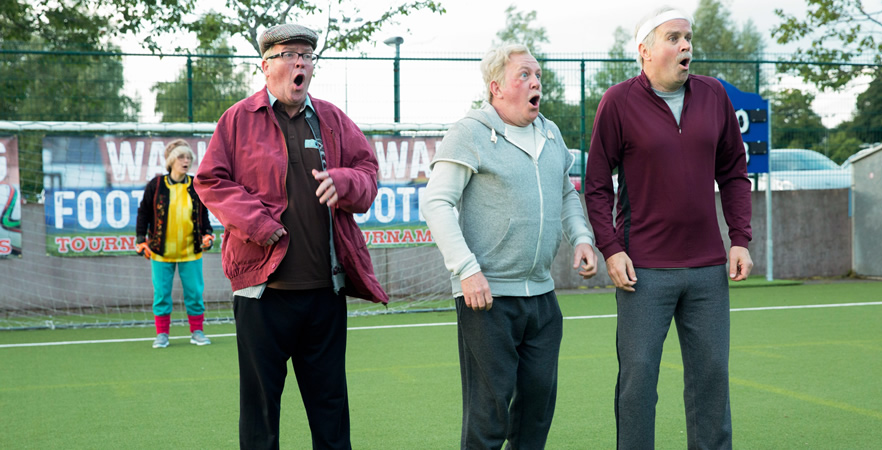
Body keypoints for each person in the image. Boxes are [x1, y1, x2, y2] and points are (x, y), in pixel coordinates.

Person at [193, 23, 387, 450]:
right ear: (266, 66)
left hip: (325, 292)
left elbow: (368, 174)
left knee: (331, 410)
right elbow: (210, 181)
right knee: (260, 414)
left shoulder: (333, 120)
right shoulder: (237, 120)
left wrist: (344, 182)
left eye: (306, 56)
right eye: (289, 55)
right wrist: (259, 225)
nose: (301, 63)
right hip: (262, 296)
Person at [584, 6, 754, 449]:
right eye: (674, 38)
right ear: (645, 51)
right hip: (644, 271)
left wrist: (740, 238)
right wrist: (610, 248)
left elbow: (734, 172)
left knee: (711, 379)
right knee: (638, 381)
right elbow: (597, 185)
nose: (686, 47)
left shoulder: (715, 95)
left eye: (688, 38)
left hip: (707, 269)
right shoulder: (617, 102)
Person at [422, 43, 598, 450]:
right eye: (524, 75)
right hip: (487, 298)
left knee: (537, 409)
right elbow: (436, 202)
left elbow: (567, 194)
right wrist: (466, 269)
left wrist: (582, 238)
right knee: (490, 415)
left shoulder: (551, 133)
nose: (536, 82)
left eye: (537, 75)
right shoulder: (469, 132)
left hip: (541, 296)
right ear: (496, 87)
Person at [135, 139, 214, 349]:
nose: (186, 161)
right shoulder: (156, 185)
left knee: (195, 294)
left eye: (188, 157)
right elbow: (143, 213)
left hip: (191, 251)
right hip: (161, 252)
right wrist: (140, 240)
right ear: (171, 160)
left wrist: (208, 233)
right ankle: (162, 335)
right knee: (161, 294)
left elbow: (203, 214)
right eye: (181, 157)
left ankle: (197, 332)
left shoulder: (195, 184)